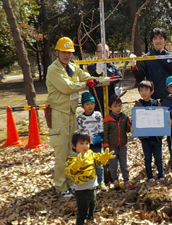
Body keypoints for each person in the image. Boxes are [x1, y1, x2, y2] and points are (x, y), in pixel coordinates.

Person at [46, 37, 106, 197]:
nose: (67, 55)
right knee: (62, 151)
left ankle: (70, 182)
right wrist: (87, 84)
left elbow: (86, 77)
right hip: (59, 113)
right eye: (64, 52)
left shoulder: (71, 67)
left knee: (73, 150)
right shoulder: (54, 69)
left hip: (71, 112)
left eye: (69, 52)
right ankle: (60, 186)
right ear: (57, 52)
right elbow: (67, 87)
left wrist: (99, 80)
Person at [65, 129, 115, 225]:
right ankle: (80, 223)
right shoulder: (72, 158)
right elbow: (68, 171)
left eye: (87, 143)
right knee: (83, 210)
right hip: (81, 189)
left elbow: (97, 160)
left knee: (92, 205)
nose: (85, 146)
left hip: (92, 186)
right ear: (74, 146)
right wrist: (76, 164)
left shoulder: (90, 153)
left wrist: (103, 158)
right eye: (82, 143)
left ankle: (91, 220)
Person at [131, 27, 172, 102]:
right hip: (152, 98)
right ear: (152, 41)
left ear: (165, 40)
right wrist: (134, 67)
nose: (158, 41)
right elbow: (140, 78)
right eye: (155, 39)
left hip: (169, 97)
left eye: (160, 38)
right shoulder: (146, 58)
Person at [134, 80, 164, 183]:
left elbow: (162, 118)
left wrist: (167, 121)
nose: (143, 92)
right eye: (141, 90)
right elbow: (135, 120)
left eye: (146, 90)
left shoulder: (156, 103)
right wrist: (132, 123)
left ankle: (161, 174)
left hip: (156, 137)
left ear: (152, 91)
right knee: (147, 158)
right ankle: (150, 176)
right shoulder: (138, 105)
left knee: (158, 157)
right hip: (145, 138)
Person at [103, 95, 133, 190]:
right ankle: (115, 180)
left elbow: (128, 130)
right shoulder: (107, 120)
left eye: (119, 106)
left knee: (123, 163)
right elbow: (105, 133)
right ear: (110, 108)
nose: (118, 108)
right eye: (115, 106)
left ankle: (126, 180)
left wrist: (130, 124)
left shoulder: (124, 117)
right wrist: (106, 145)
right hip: (112, 146)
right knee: (113, 164)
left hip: (122, 145)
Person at [77, 92, 106, 190]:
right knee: (89, 164)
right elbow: (80, 132)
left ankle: (101, 181)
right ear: (83, 106)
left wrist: (100, 136)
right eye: (87, 104)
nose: (90, 106)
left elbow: (101, 127)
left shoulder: (97, 114)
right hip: (86, 146)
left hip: (97, 144)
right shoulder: (80, 118)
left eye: (92, 104)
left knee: (99, 164)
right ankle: (92, 182)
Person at [87, 43, 122, 116]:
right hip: (96, 103)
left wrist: (117, 87)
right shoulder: (90, 67)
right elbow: (89, 81)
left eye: (105, 51)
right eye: (100, 52)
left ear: (109, 53)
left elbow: (118, 79)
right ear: (96, 53)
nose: (103, 54)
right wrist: (97, 72)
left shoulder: (114, 68)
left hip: (111, 104)